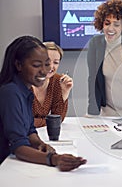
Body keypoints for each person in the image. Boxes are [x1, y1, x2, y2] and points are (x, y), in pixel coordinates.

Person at [0, 36, 86, 171]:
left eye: (47, 64)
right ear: (18, 65)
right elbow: (18, 146)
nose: (44, 71)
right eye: (36, 65)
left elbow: (29, 131)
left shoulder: (25, 90)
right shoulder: (10, 92)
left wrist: (40, 144)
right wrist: (53, 159)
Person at [32, 42, 72, 127]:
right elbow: (22, 121)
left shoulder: (57, 80)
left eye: (56, 62)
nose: (51, 66)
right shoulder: (23, 81)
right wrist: (49, 122)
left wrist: (65, 92)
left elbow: (58, 119)